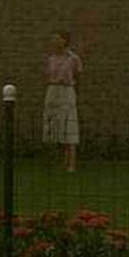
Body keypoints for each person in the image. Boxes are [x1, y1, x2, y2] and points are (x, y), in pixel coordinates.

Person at [42, 30, 83, 172]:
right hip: (53, 92)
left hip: (67, 91)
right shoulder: (51, 59)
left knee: (69, 125)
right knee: (54, 126)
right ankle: (60, 162)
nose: (54, 41)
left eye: (57, 39)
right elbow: (47, 76)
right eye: (54, 39)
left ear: (65, 41)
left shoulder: (74, 59)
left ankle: (71, 163)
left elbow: (78, 77)